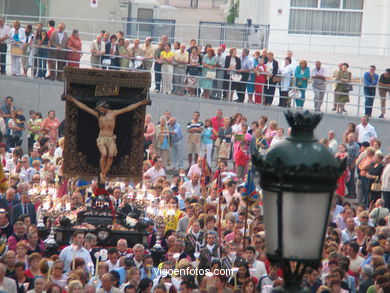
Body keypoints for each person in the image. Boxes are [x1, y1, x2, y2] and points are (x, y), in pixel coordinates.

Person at [65, 95, 149, 180]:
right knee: (104, 154)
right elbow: (85, 108)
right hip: (102, 138)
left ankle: (104, 173)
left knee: (111, 156)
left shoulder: (113, 113)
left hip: (111, 138)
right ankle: (103, 172)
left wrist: (140, 103)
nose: (98, 110)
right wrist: (73, 100)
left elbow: (127, 108)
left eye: (100, 108)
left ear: (104, 107)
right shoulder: (98, 115)